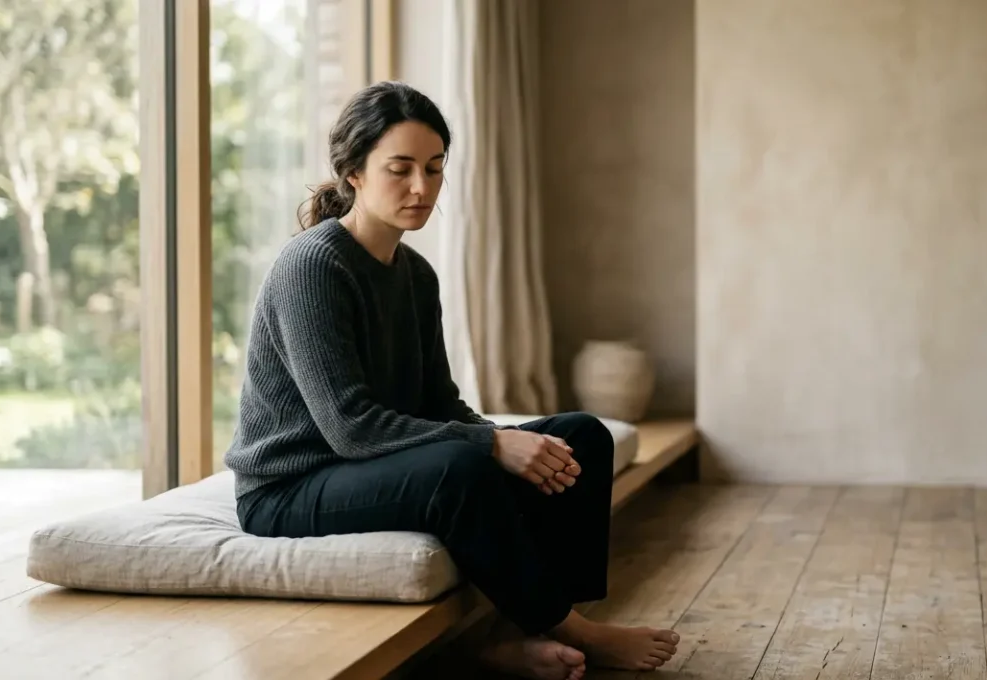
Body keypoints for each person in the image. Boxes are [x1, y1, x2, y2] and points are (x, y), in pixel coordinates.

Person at [223, 81, 680, 680]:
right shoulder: (313, 266)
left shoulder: (416, 274)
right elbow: (349, 427)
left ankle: (509, 633)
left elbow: (440, 403)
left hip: (365, 465)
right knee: (460, 467)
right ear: (353, 172)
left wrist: (511, 440)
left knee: (580, 437)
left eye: (435, 169)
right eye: (401, 168)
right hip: (291, 484)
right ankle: (577, 630)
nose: (422, 188)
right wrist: (491, 444)